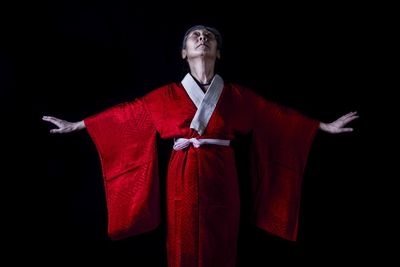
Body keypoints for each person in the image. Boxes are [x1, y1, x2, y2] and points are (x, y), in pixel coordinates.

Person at [43, 25, 358, 267]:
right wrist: (79, 125)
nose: (202, 38)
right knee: (182, 241)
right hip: (181, 177)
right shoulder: (166, 96)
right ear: (184, 52)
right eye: (195, 35)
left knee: (221, 241)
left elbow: (273, 117)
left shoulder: (236, 96)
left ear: (218, 52)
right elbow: (127, 115)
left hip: (222, 175)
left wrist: (321, 126)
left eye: (209, 36)